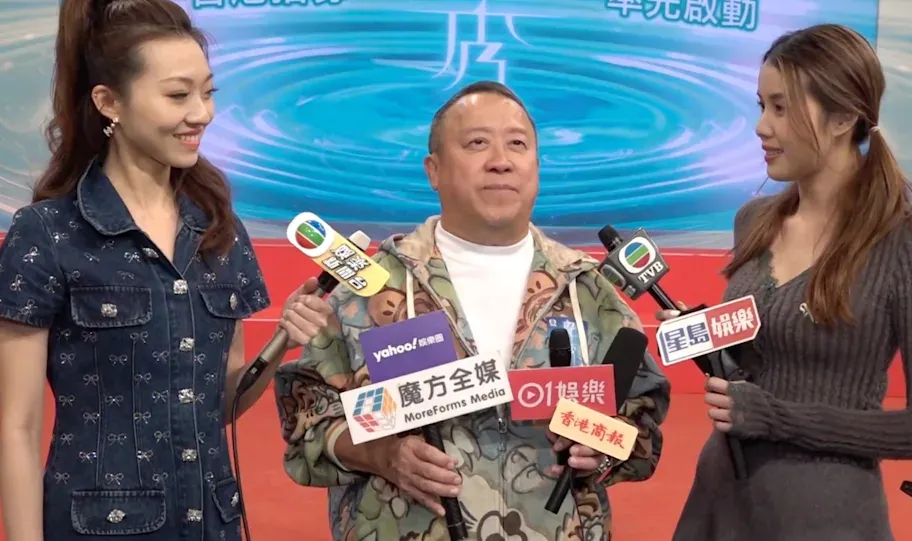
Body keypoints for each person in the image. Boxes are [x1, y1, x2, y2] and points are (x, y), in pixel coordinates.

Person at [273, 81, 671, 541]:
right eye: (477, 143)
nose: (501, 160)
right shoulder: (371, 288)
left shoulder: (589, 292)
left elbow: (641, 428)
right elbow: (307, 423)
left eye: (517, 144)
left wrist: (601, 445)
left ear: (537, 165)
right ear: (434, 170)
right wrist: (382, 455)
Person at [0, 1, 332, 540]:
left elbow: (220, 406)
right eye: (178, 95)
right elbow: (17, 427)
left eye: (208, 93)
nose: (201, 113)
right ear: (109, 102)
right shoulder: (48, 233)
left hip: (213, 523)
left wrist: (281, 343)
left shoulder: (220, 229)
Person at [660, 24, 912, 540]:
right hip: (721, 499)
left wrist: (778, 418)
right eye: (762, 105)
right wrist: (704, 338)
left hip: (825, 517)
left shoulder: (907, 238)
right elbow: (761, 362)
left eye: (781, 108)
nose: (761, 126)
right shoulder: (755, 220)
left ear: (843, 117)